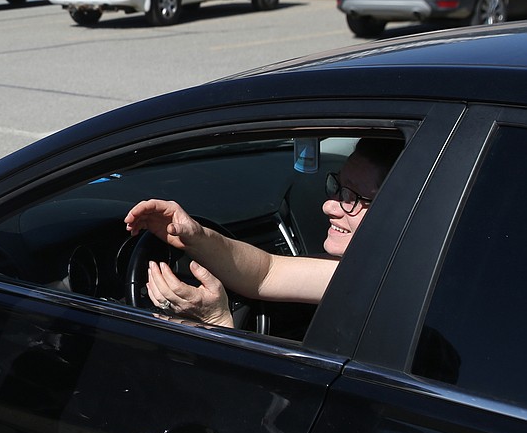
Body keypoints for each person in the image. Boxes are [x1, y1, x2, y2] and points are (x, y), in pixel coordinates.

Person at [123, 137, 402, 328]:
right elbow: (267, 271)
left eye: (352, 198)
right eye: (337, 187)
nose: (329, 206)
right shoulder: (376, 270)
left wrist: (218, 322)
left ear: (400, 210)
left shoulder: (394, 295)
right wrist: (195, 236)